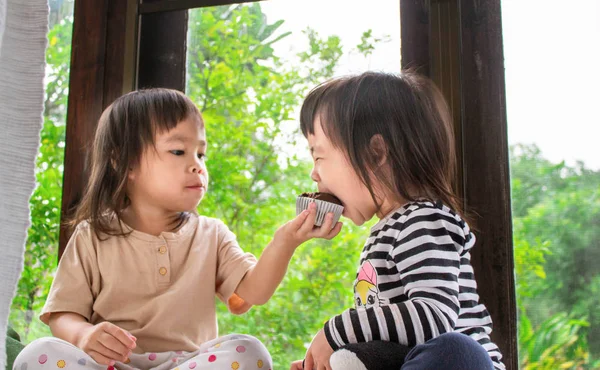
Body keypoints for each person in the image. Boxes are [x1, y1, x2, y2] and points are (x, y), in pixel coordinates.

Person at [13, 88, 341, 370]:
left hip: (189, 362)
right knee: (38, 354)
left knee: (249, 352)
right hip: (111, 365)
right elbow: (62, 314)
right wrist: (84, 336)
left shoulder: (212, 234)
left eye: (201, 153)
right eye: (178, 151)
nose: (198, 164)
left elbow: (253, 293)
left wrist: (285, 241)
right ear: (124, 162)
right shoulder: (92, 235)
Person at [290, 71, 505, 370]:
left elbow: (433, 318)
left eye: (319, 157)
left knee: (455, 349)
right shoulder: (385, 231)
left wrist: (335, 332)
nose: (314, 174)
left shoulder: (423, 219)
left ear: (375, 153)